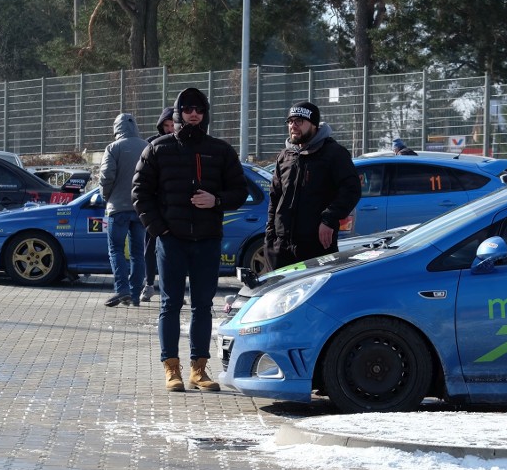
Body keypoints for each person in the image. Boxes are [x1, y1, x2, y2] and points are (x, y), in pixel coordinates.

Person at [132, 87, 248, 392]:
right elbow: (140, 195)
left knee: (202, 306)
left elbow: (240, 191)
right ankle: (172, 369)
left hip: (208, 240)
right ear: (177, 112)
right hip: (171, 241)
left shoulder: (221, 150)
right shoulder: (158, 149)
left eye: (198, 108)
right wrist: (161, 230)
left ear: (205, 113)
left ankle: (199, 369)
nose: (193, 113)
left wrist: (217, 200)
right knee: (169, 305)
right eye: (187, 108)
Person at [264, 101, 361, 272]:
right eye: (290, 121)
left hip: (316, 246)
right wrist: (270, 236)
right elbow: (275, 197)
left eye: (299, 121)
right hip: (280, 247)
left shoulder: (334, 153)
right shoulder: (285, 156)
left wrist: (328, 219)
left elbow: (351, 190)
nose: (293, 126)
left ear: (314, 124)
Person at [100, 113, 149, 307]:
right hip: (141, 208)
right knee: (138, 253)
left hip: (118, 208)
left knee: (116, 250)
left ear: (116, 129)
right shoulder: (147, 146)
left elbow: (106, 177)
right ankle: (135, 294)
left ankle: (122, 290)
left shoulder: (113, 148)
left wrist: (107, 197)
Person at [140, 107, 175, 303]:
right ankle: (148, 284)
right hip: (154, 206)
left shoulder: (183, 143)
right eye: (166, 125)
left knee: (174, 250)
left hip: (175, 206)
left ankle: (172, 286)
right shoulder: (151, 144)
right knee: (150, 246)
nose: (170, 129)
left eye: (172, 125)